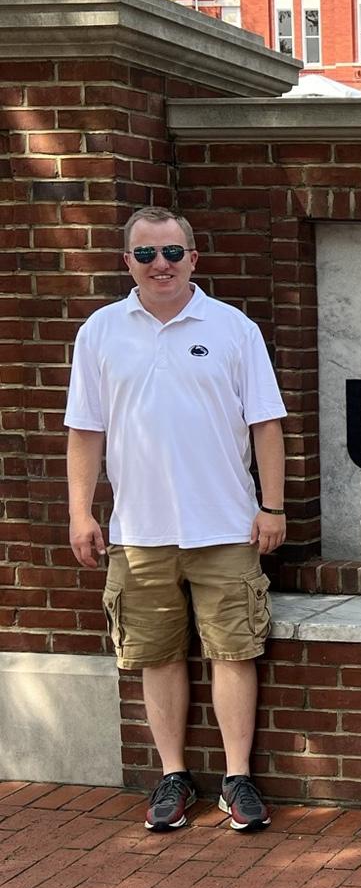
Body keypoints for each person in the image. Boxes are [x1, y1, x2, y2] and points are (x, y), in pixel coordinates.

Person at [65, 206, 288, 833]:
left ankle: (237, 777)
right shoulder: (101, 333)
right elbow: (85, 431)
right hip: (139, 532)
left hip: (225, 524)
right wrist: (81, 512)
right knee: (158, 657)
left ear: (193, 257)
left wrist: (272, 505)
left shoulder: (232, 328)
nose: (158, 265)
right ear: (127, 262)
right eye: (145, 254)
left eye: (170, 253)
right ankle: (172, 776)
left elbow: (265, 423)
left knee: (234, 651)